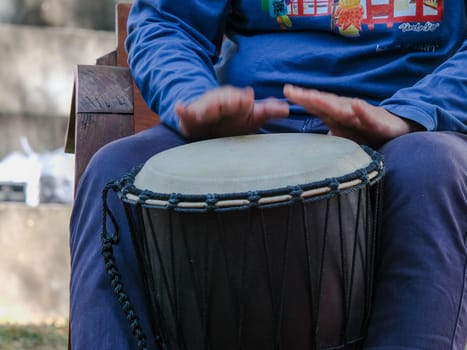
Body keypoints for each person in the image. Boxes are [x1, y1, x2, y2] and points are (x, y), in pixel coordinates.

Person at [69, 0, 467, 349]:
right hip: (242, 129)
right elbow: (168, 22)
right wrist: (192, 97)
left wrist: (411, 113)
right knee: (114, 175)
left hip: (408, 129)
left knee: (433, 168)